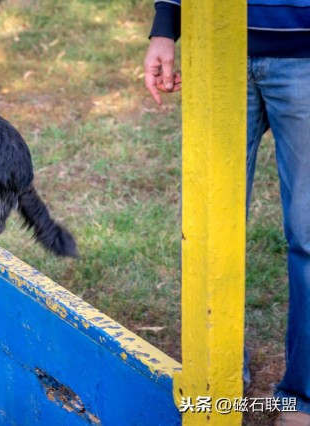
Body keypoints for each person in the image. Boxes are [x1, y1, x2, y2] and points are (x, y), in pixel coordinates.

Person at [144, 1, 310, 425]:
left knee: (309, 235)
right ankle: (219, 380)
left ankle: (302, 397)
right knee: (207, 227)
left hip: (305, 56)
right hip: (216, 48)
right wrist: (166, 27)